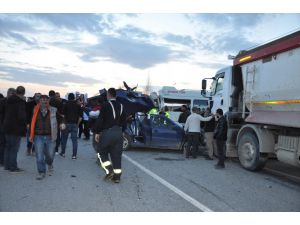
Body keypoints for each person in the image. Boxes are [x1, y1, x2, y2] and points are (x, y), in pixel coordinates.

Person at [95, 88, 126, 183]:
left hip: (107, 132)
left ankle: (109, 170)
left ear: (108, 94)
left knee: (101, 152)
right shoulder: (121, 106)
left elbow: (100, 120)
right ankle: (117, 177)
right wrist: (122, 132)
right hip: (119, 132)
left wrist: (97, 132)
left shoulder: (105, 105)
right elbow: (124, 121)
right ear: (115, 95)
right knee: (116, 155)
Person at [29, 95, 62, 180]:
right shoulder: (34, 110)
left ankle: (50, 164)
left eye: (46, 101)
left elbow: (61, 118)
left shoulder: (54, 110)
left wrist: (62, 123)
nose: (44, 102)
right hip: (38, 136)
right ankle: (41, 172)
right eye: (42, 101)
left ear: (48, 101)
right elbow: (30, 121)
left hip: (50, 136)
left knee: (50, 155)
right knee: (39, 155)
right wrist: (29, 132)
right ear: (39, 102)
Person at [3, 86, 27, 172]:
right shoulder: (20, 102)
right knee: (14, 148)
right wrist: (25, 124)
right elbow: (21, 117)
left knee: (8, 147)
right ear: (23, 93)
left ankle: (7, 165)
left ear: (16, 92)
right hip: (16, 128)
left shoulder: (7, 100)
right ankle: (13, 167)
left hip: (7, 126)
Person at [60, 93, 82, 159]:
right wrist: (77, 124)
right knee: (74, 141)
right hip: (74, 124)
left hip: (66, 124)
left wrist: (63, 122)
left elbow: (63, 115)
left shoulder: (65, 104)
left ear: (68, 98)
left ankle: (63, 153)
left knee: (64, 139)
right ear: (74, 98)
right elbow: (80, 117)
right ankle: (74, 155)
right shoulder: (78, 105)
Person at [0, 88, 16, 167]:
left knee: (5, 144)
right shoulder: (5, 102)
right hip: (5, 126)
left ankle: (3, 161)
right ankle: (4, 161)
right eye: (12, 93)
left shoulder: (3, 101)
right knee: (5, 144)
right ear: (8, 93)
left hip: (6, 126)